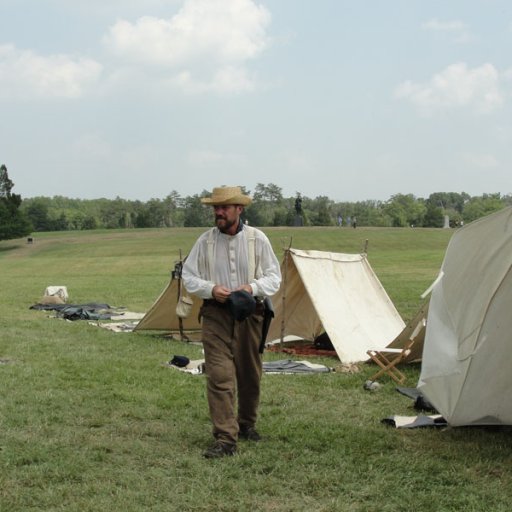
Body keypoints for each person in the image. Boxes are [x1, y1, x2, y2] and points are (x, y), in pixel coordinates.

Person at [182, 186, 281, 459]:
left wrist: (252, 287)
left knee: (250, 374)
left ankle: (247, 425)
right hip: (216, 314)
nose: (219, 212)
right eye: (216, 207)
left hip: (251, 314)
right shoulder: (205, 242)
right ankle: (226, 438)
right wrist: (211, 289)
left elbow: (274, 277)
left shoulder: (257, 239)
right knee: (220, 375)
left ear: (240, 209)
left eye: (224, 207)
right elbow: (189, 277)